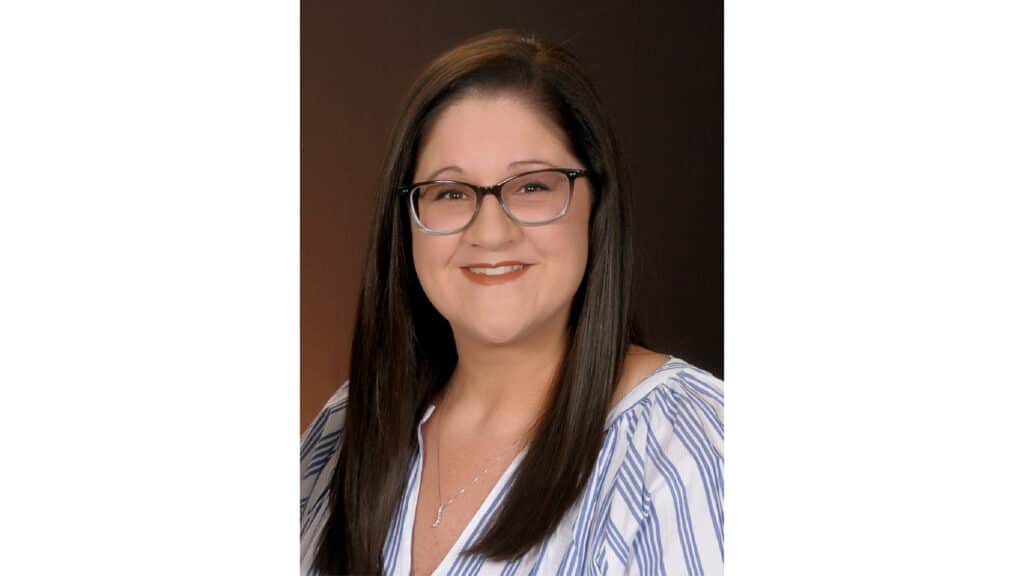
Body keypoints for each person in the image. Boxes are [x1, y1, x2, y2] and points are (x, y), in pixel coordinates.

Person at [300, 29, 723, 575]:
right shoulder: (349, 424)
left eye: (532, 187)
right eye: (451, 194)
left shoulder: (690, 447)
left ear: (596, 205)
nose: (491, 233)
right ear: (406, 219)